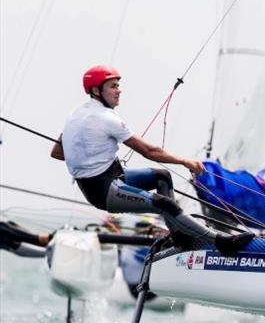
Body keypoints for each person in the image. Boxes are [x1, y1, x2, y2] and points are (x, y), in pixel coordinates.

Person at [51, 65, 253, 254]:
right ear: (96, 91)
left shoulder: (75, 116)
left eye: (118, 86)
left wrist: (90, 155)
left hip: (111, 178)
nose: (118, 90)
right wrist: (185, 161)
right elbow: (149, 151)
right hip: (105, 192)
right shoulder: (106, 118)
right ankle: (221, 242)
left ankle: (180, 237)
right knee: (165, 204)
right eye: (113, 86)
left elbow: (58, 152)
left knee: (161, 177)